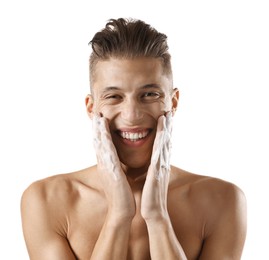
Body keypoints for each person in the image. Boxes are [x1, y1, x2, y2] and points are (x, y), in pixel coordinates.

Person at [21, 18, 247, 260]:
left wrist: (157, 216)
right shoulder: (46, 201)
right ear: (91, 107)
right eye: (114, 96)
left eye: (149, 94)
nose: (132, 115)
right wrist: (119, 214)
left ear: (173, 102)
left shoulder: (222, 201)